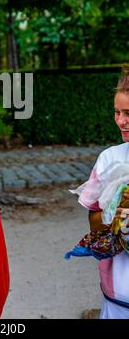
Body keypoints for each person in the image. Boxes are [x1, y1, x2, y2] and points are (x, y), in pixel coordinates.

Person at [70, 66, 129, 319]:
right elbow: (94, 224)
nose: (120, 121)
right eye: (117, 112)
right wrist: (115, 216)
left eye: (128, 113)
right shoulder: (110, 159)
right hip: (118, 297)